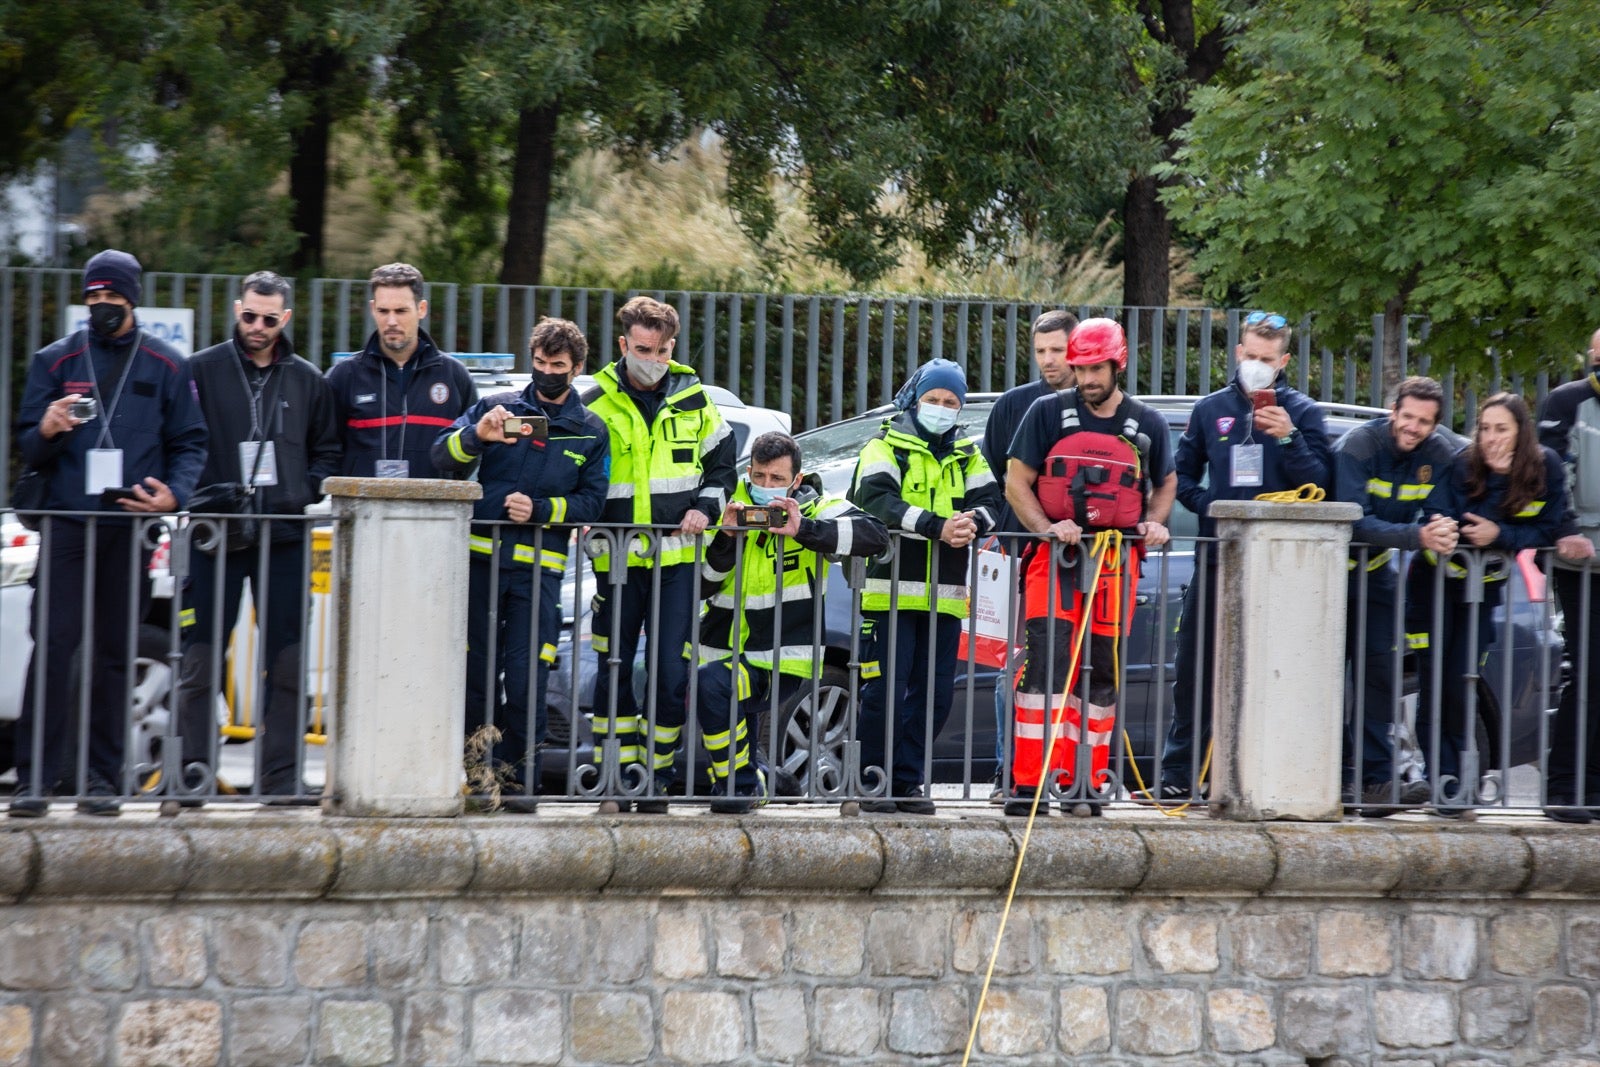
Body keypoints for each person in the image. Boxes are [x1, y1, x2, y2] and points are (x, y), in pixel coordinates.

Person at [11, 249, 208, 817]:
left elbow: (191, 443)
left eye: (111, 297)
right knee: (53, 648)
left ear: (132, 298)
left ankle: (101, 780)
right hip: (69, 524)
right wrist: (45, 429)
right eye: (92, 297)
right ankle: (34, 781)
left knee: (115, 654)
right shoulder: (56, 360)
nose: (100, 306)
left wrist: (176, 493)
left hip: (131, 526)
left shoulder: (168, 365)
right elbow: (27, 442)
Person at [173, 271, 341, 807]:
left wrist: (302, 489)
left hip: (286, 536)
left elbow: (328, 451)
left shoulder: (308, 379)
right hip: (213, 535)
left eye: (270, 319)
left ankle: (281, 780)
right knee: (198, 663)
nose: (258, 327)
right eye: (250, 316)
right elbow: (181, 441)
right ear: (236, 310)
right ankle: (190, 777)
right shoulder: (201, 370)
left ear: (285, 319)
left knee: (288, 663)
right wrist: (203, 492)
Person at [432, 317, 610, 813]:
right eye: (540, 363)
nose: (547, 373)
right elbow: (440, 455)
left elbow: (593, 501)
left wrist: (544, 511)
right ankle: (476, 779)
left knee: (528, 678)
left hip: (540, 577)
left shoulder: (590, 430)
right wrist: (476, 437)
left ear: (577, 368)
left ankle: (520, 784)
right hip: (483, 568)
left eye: (558, 365)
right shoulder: (496, 408)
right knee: (478, 678)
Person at [1000, 318, 1175, 817]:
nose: (1086, 378)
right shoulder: (1045, 413)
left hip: (1115, 564)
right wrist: (1046, 528)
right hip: (1053, 563)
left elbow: (1165, 482)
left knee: (1100, 678)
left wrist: (1155, 525)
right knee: (1045, 671)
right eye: (1080, 369)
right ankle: (1028, 786)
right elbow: (1018, 483)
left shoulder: (1148, 424)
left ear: (1117, 364)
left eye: (1095, 368)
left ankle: (1087, 786)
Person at [1161, 311, 1333, 798]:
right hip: (1219, 556)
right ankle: (1181, 778)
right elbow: (1182, 476)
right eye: (1250, 356)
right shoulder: (1210, 408)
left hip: (1285, 568)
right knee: (1194, 669)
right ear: (1238, 353)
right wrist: (1213, 508)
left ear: (1282, 361)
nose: (1256, 366)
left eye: (1266, 359)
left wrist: (1287, 436)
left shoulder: (1303, 412)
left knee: (1275, 672)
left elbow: (1323, 484)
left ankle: (1265, 778)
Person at [582, 296, 736, 812]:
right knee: (614, 667)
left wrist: (705, 511)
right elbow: (573, 473)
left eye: (663, 351)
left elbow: (721, 470)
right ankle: (618, 772)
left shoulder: (695, 400)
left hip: (677, 561)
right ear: (624, 345)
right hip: (616, 561)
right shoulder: (594, 402)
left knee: (671, 674)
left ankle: (655, 776)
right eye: (644, 349)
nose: (654, 360)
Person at [693, 431, 888, 813]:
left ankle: (742, 788)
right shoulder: (728, 508)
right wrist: (727, 538)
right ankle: (765, 779)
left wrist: (807, 530)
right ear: (749, 472)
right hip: (722, 648)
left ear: (796, 480)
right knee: (725, 717)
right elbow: (701, 586)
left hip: (783, 657)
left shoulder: (814, 508)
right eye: (760, 477)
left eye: (778, 479)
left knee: (715, 688)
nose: (767, 487)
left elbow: (875, 535)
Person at [849, 358, 1001, 814]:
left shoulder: (968, 454)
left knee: (933, 697)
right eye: (933, 400)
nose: (941, 408)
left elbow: (993, 502)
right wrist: (936, 527)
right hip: (889, 596)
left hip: (946, 600)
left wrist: (971, 523)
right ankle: (873, 783)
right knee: (884, 694)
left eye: (950, 402)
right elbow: (874, 497)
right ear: (915, 401)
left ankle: (908, 783)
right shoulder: (885, 446)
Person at [1406, 393, 1568, 816]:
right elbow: (1439, 513)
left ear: (1522, 432)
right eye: (1485, 428)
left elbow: (1551, 528)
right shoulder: (1463, 462)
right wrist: (1457, 522)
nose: (1491, 438)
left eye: (1502, 429)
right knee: (1436, 685)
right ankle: (1444, 787)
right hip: (1433, 590)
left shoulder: (1544, 466)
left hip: (1485, 592)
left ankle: (1463, 784)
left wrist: (1502, 536)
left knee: (1464, 686)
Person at [1333, 376, 1463, 816]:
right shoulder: (1358, 446)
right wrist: (1418, 535)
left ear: (1435, 425)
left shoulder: (1441, 454)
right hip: (1328, 578)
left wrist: (1441, 530)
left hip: (1376, 576)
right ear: (1393, 412)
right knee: (1327, 681)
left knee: (1378, 681)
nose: (1413, 427)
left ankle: (1376, 783)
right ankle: (1335, 777)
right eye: (1407, 417)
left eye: (1424, 422)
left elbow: (1441, 513)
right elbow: (1353, 522)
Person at [979, 308, 1078, 793]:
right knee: (1012, 669)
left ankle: (1065, 772)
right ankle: (1009, 770)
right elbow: (999, 480)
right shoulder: (1013, 405)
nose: (1048, 360)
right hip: (1018, 555)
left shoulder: (1100, 407)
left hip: (1077, 558)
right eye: (1040, 351)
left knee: (1073, 670)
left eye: (1057, 349)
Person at [324, 262, 474, 478]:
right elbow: (325, 449)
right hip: (362, 509)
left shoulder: (454, 376)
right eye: (383, 311)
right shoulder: (344, 376)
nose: (391, 321)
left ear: (421, 309)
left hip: (436, 509)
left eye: (401, 311)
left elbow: (472, 448)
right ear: (372, 309)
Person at [1537, 330, 1600, 823]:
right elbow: (1551, 479)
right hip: (1583, 562)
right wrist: (1566, 536)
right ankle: (1566, 787)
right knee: (1588, 669)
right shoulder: (1569, 401)